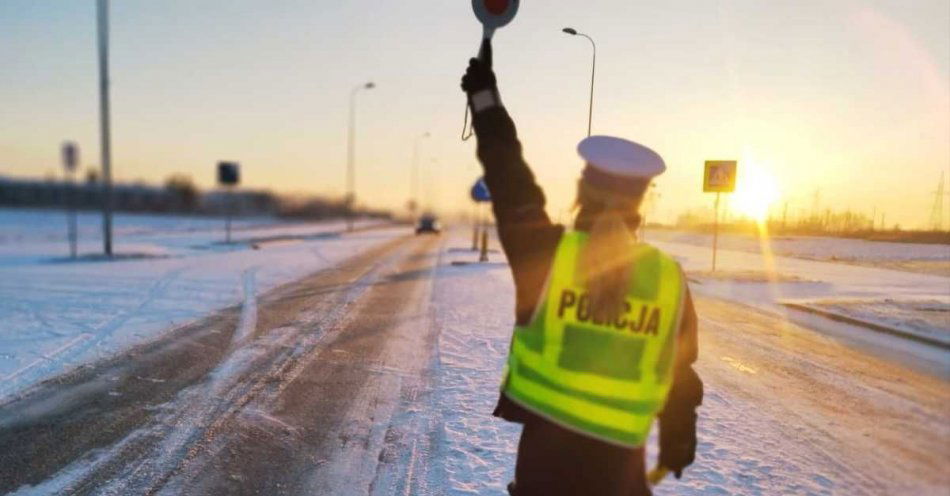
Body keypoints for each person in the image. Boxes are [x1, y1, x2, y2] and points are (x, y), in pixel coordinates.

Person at [461, 40, 703, 496]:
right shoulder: (668, 279)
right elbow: (679, 370)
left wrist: (485, 100)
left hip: (543, 474)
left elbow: (509, 176)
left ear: (581, 191)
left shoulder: (546, 254)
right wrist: (677, 434)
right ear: (642, 203)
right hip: (621, 478)